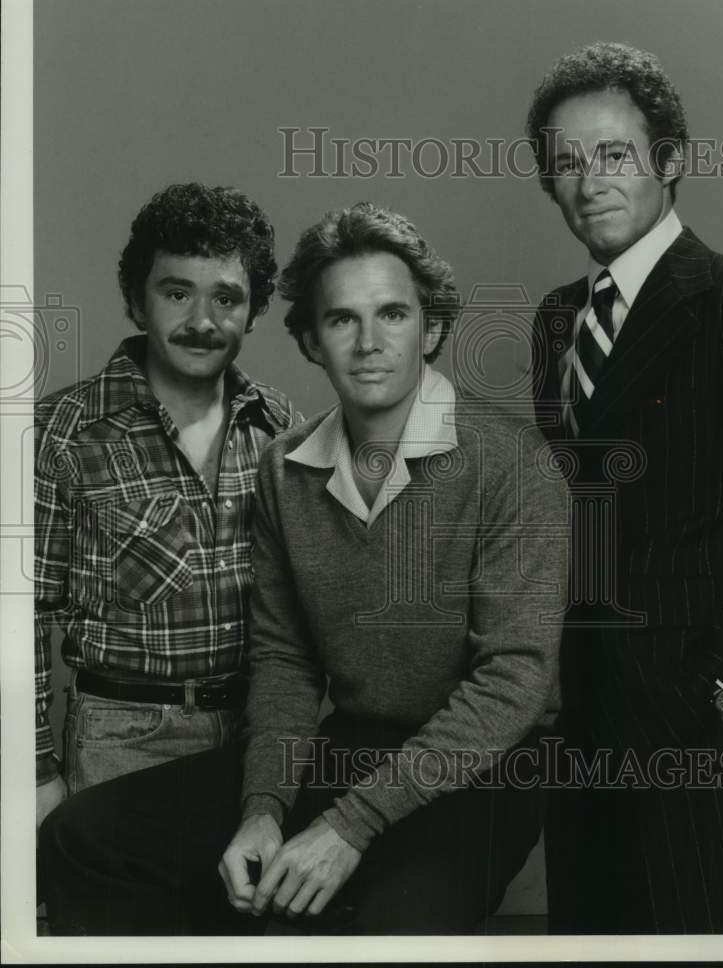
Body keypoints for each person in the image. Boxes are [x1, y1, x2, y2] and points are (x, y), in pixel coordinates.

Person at [40, 203, 569, 936]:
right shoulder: (285, 468)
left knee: (375, 932)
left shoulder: (513, 462)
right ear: (312, 341)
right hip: (349, 748)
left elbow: (513, 679)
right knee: (83, 834)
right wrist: (265, 811)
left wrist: (348, 828)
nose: (370, 342)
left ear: (434, 329)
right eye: (342, 320)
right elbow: (285, 662)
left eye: (393, 314)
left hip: (487, 767)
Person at [527, 42, 723, 933]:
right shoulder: (555, 318)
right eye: (566, 164)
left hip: (695, 710)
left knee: (690, 926)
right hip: (574, 709)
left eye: (614, 154)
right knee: (584, 932)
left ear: (670, 160)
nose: (590, 182)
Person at [35, 183, 301, 832]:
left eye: (227, 298)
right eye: (177, 293)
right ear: (136, 301)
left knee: (232, 927)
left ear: (256, 311)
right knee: (118, 930)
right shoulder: (64, 431)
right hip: (121, 739)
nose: (202, 321)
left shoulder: (282, 427)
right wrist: (37, 770)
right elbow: (18, 618)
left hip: (252, 742)